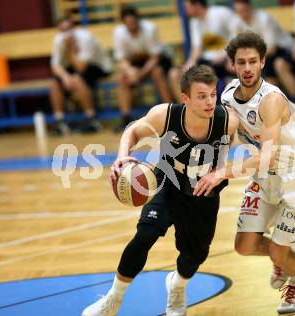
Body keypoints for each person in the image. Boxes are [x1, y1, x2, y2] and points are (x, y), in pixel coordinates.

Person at [82, 65, 238, 316]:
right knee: (145, 234)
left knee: (194, 257)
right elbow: (133, 130)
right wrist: (123, 157)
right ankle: (113, 298)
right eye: (202, 96)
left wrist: (217, 173)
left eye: (212, 94)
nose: (210, 102)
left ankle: (177, 285)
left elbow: (225, 153)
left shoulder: (227, 120)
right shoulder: (165, 115)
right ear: (185, 98)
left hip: (203, 189)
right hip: (167, 178)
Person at [194, 32, 295, 314]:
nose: (247, 68)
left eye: (253, 61)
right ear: (232, 65)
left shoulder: (271, 100)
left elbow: (267, 156)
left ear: (263, 62)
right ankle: (285, 254)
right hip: (264, 178)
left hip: (294, 177)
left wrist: (222, 174)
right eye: (241, 62)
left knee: (277, 251)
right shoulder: (227, 96)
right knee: (244, 245)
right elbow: (226, 136)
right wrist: (211, 164)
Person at [168, 0, 245, 103]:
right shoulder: (194, 22)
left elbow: (238, 35)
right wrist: (189, 64)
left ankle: (214, 109)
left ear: (196, 4)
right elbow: (196, 48)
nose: (184, 10)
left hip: (227, 59)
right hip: (207, 61)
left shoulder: (221, 13)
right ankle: (185, 110)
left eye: (186, 6)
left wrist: (228, 55)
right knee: (174, 74)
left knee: (206, 74)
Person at [113, 7, 174, 132]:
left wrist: (140, 74)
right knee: (121, 78)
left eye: (133, 22)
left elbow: (155, 58)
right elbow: (121, 60)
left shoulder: (150, 29)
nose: (132, 26)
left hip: (155, 60)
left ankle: (171, 114)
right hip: (135, 63)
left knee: (158, 73)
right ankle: (125, 117)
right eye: (128, 23)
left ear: (138, 20)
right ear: (123, 23)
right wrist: (130, 71)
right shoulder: (118, 33)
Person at [233, 0, 295, 106]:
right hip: (264, 56)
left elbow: (272, 48)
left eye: (244, 10)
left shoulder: (264, 19)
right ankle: (275, 106)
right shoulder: (237, 24)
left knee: (278, 64)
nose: (243, 14)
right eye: (239, 12)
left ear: (250, 8)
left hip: (286, 50)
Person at [50, 16, 111, 135]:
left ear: (74, 28)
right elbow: (55, 65)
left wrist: (70, 49)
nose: (66, 33)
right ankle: (60, 122)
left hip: (98, 66)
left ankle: (92, 120)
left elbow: (81, 67)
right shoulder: (58, 40)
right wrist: (65, 77)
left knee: (79, 80)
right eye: (62, 30)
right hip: (75, 65)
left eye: (68, 29)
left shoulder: (86, 38)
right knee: (55, 84)